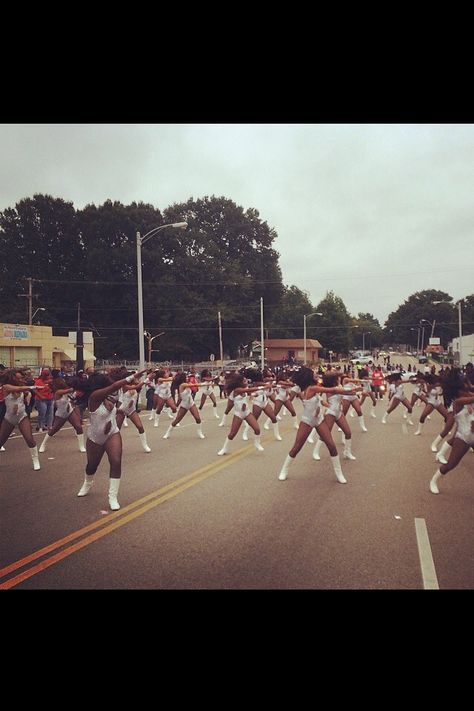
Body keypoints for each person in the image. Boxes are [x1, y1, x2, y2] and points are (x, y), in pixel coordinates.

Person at [76, 369, 146, 510]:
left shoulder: (110, 398)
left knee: (116, 461)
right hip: (95, 437)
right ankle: (87, 483)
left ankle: (112, 497)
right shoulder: (94, 397)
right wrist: (133, 376)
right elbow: (114, 386)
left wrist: (125, 408)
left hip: (112, 434)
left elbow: (119, 405)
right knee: (92, 465)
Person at [278, 367, 355, 483]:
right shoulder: (310, 388)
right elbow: (332, 390)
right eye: (313, 374)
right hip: (307, 421)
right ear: (308, 377)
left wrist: (326, 403)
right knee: (296, 448)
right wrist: (293, 389)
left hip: (319, 420)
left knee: (331, 446)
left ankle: (339, 474)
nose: (316, 375)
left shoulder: (313, 388)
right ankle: (284, 470)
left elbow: (325, 393)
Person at [429, 377, 474, 494]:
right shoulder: (457, 403)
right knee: (451, 465)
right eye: (465, 390)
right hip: (463, 438)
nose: (468, 392)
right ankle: (434, 481)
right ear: (458, 392)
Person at [0, 368, 43, 469]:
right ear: (12, 378)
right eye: (18, 379)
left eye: (21, 378)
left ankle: (36, 461)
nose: (20, 380)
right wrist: (32, 387)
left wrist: (37, 392)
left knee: (29, 439)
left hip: (22, 416)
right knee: (1, 440)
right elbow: (17, 389)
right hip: (9, 418)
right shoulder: (6, 387)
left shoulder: (22, 387)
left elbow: (25, 391)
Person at [217, 372, 267, 455]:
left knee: (257, 429)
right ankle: (224, 448)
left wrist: (256, 394)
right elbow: (248, 390)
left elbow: (249, 393)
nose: (246, 382)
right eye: (244, 381)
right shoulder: (237, 390)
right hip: (238, 414)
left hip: (247, 413)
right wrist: (263, 387)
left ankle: (257, 443)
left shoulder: (244, 389)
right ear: (239, 383)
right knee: (232, 434)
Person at [38, 376, 86, 453]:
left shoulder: (65, 392)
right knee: (54, 429)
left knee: (78, 426)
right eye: (62, 381)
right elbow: (70, 390)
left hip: (69, 411)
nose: (64, 382)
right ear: (59, 384)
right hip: (61, 414)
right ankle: (43, 444)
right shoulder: (58, 392)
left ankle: (81, 446)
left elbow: (72, 398)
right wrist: (76, 385)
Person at [162, 373, 211, 440]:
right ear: (183, 379)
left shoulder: (187, 383)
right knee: (177, 420)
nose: (187, 378)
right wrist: (205, 384)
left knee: (197, 418)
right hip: (184, 405)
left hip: (191, 404)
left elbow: (181, 397)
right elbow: (195, 385)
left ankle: (200, 432)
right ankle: (168, 433)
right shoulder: (182, 385)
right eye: (186, 377)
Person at [34, 368, 54, 432]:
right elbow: (35, 390)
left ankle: (49, 426)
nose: (47, 376)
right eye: (46, 375)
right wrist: (41, 396)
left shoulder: (50, 381)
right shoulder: (38, 381)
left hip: (50, 398)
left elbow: (53, 388)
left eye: (48, 375)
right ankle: (40, 426)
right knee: (42, 413)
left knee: (50, 413)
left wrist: (50, 384)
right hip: (41, 399)